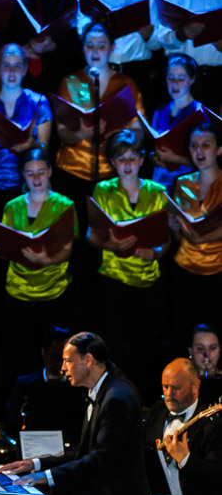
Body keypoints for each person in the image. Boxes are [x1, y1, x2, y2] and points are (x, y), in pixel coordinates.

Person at [3, 331, 152, 495]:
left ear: (88, 360)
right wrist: (35, 464)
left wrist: (45, 476)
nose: (63, 368)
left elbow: (101, 459)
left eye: (68, 361)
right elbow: (83, 453)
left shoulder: (116, 398)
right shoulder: (102, 393)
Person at [88, 129, 170, 394]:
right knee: (115, 345)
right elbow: (91, 234)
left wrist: (156, 253)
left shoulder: (158, 192)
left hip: (147, 281)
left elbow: (166, 237)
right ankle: (116, 397)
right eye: (121, 159)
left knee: (147, 346)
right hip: (113, 279)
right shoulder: (103, 190)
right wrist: (110, 245)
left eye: (132, 158)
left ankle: (145, 399)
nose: (127, 165)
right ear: (113, 162)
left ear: (142, 160)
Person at [0, 148, 77, 382]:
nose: (36, 179)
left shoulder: (64, 205)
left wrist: (46, 260)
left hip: (53, 289)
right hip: (18, 290)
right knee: (19, 355)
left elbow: (67, 249)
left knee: (54, 355)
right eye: (30, 173)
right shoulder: (12, 206)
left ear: (50, 172)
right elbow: (5, 249)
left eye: (41, 172)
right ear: (23, 175)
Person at [54, 21, 144, 213]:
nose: (95, 52)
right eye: (90, 46)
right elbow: (62, 131)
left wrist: (121, 137)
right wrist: (82, 134)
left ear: (111, 48)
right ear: (83, 49)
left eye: (101, 46)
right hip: (73, 169)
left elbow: (138, 129)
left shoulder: (125, 84)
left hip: (112, 170)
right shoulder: (71, 82)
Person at [144, 357, 222, 495]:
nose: (169, 394)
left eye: (176, 388)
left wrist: (185, 459)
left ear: (195, 386)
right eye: (165, 387)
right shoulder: (156, 412)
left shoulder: (212, 424)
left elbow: (216, 476)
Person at [0, 43, 52, 218]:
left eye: (17, 66)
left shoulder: (39, 102)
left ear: (24, 70)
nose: (11, 72)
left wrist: (31, 145)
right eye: (6, 66)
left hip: (28, 186)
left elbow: (44, 152)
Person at [168, 123, 222, 341]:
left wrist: (200, 238)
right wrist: (174, 228)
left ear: (219, 149)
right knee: (184, 333)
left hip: (218, 270)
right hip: (185, 269)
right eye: (194, 146)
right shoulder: (182, 183)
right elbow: (178, 235)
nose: (199, 151)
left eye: (205, 145)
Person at [4, 0, 78, 94]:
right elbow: (3, 37)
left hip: (57, 77)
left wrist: (53, 46)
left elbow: (76, 43)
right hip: (21, 79)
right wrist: (21, 49)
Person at [149, 54, 204, 192]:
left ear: (192, 80)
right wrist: (153, 157)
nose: (175, 84)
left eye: (181, 79)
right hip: (159, 184)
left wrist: (176, 159)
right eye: (171, 78)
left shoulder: (200, 114)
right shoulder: (160, 111)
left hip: (187, 187)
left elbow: (207, 161)